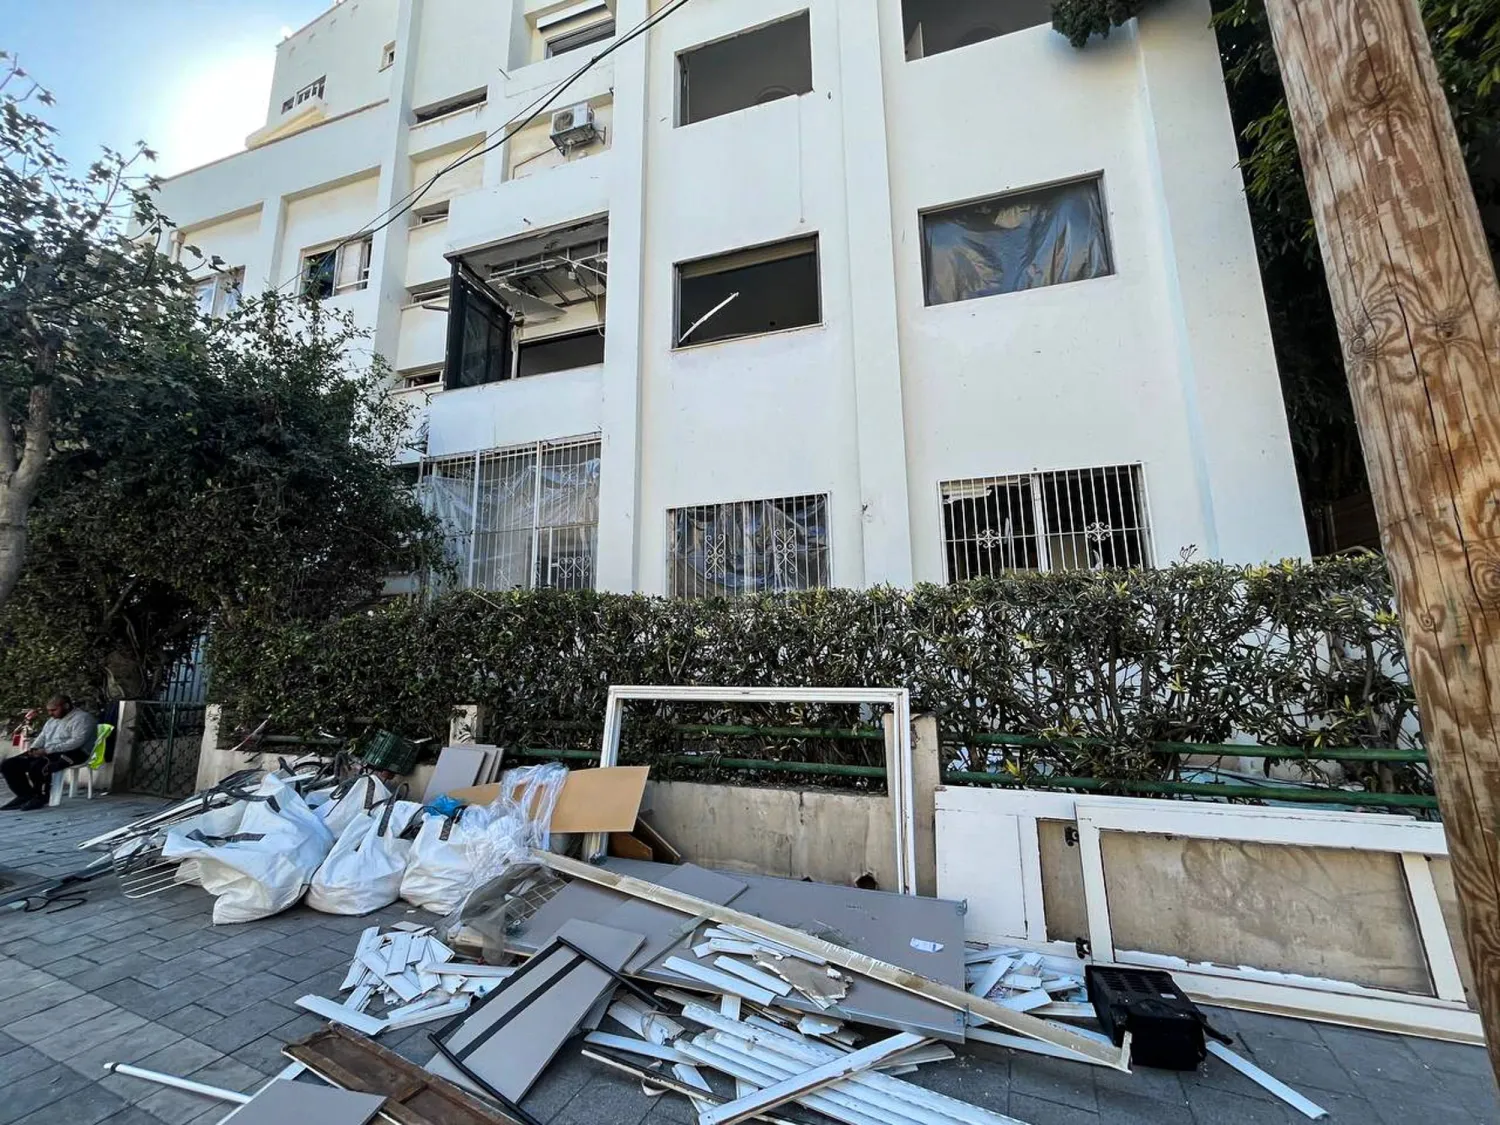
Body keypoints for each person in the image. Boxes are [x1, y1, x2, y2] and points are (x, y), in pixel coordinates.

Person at [1, 695, 97, 811]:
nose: (51, 713)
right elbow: (43, 736)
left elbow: (76, 742)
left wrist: (47, 750)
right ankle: (25, 795)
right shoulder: (52, 720)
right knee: (9, 765)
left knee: (40, 765)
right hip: (49, 751)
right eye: (49, 711)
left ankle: (40, 797)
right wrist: (33, 749)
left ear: (66, 706)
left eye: (54, 710)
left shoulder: (83, 719)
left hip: (74, 753)